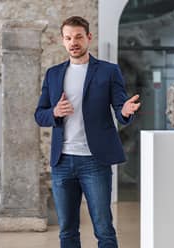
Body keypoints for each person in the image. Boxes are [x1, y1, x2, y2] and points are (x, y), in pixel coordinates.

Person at [34, 16, 140, 248]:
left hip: (95, 161)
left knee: (104, 229)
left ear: (89, 38)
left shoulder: (108, 71)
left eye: (79, 37)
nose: (74, 42)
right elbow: (39, 115)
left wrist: (126, 110)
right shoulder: (53, 74)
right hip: (62, 162)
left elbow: (121, 110)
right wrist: (54, 112)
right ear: (62, 41)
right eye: (68, 38)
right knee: (67, 231)